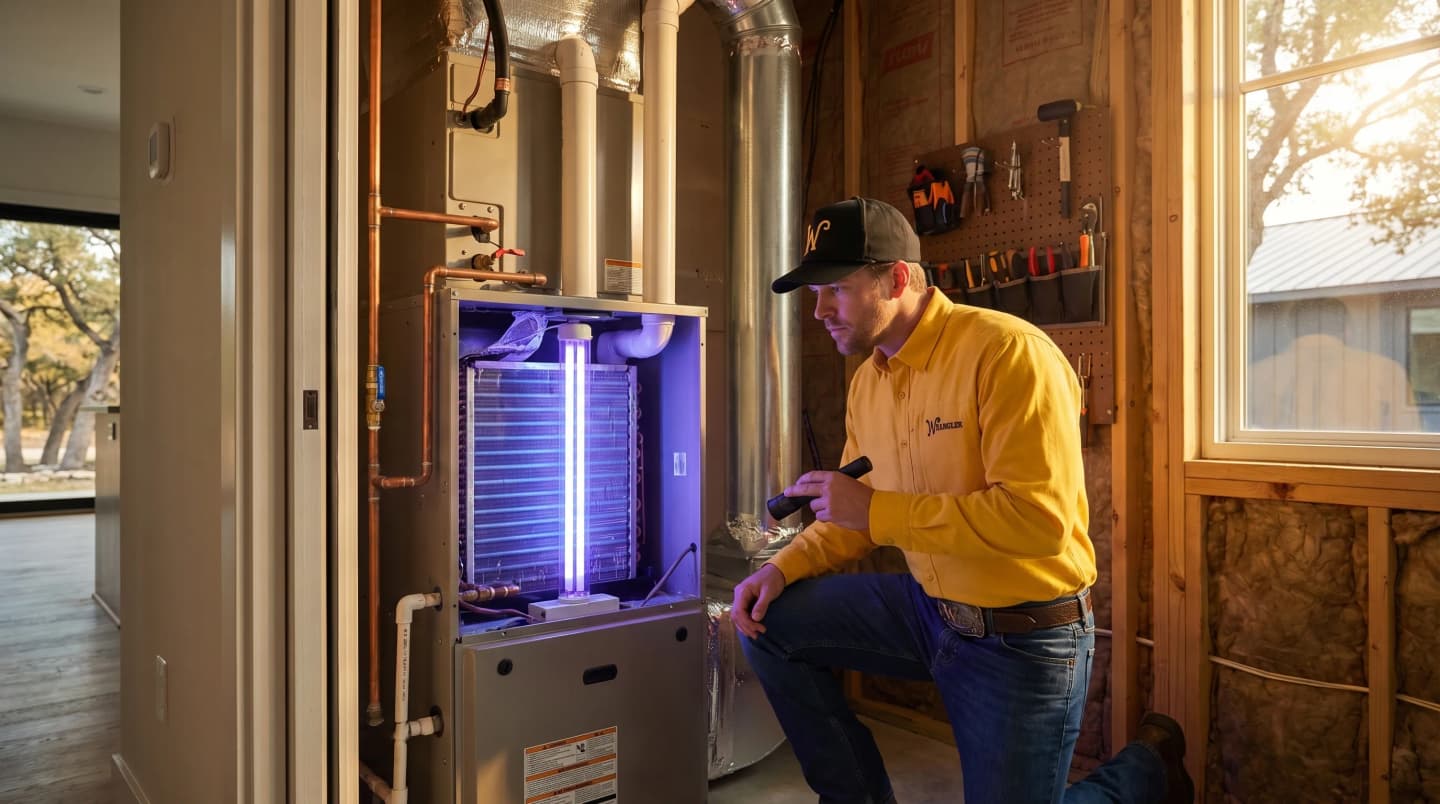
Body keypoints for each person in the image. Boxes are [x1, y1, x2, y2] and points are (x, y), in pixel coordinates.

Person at [732, 196, 1194, 804]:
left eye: (836, 290)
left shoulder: (1007, 353)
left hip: (1022, 632)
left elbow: (1038, 522)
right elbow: (856, 513)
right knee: (771, 622)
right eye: (815, 293)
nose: (818, 311)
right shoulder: (870, 382)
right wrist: (780, 568)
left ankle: (1148, 771)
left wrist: (873, 511)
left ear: (897, 279)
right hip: (931, 610)